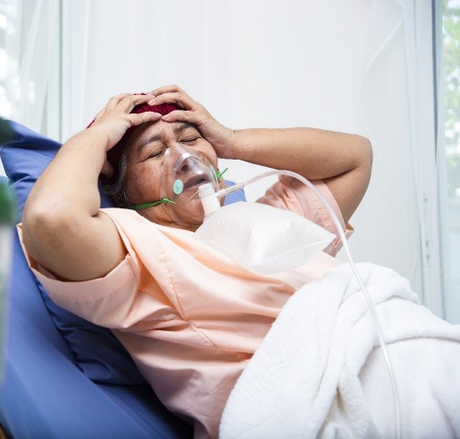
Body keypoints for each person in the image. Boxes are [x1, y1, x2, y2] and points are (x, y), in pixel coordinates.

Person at [19, 84, 373, 438]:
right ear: (124, 194)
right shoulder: (142, 253)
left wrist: (233, 140)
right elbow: (52, 217)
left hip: (374, 351)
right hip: (312, 412)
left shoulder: (267, 223)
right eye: (155, 153)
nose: (184, 157)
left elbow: (356, 158)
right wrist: (97, 136)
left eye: (190, 138)